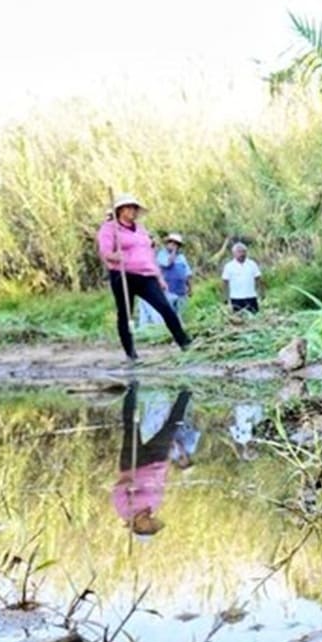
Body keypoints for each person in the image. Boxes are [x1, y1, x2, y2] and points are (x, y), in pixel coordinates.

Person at [97, 195, 192, 361]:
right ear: (120, 210)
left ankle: (184, 343)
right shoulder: (109, 228)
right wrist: (114, 256)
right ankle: (130, 352)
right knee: (125, 314)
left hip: (146, 275)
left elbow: (149, 255)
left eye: (134, 208)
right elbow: (105, 253)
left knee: (165, 307)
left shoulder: (140, 229)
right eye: (129, 208)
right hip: (123, 275)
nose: (133, 211)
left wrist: (159, 277)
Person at [112, 383, 193, 538]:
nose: (150, 523)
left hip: (133, 465)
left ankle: (131, 391)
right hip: (156, 463)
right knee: (170, 430)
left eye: (148, 527)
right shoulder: (153, 506)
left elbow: (117, 492)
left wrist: (128, 485)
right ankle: (185, 394)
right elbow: (159, 486)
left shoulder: (125, 510)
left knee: (131, 427)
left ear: (138, 527)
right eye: (152, 526)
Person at [139, 233, 192, 328]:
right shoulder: (162, 255)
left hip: (181, 291)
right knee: (169, 314)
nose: (173, 245)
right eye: (171, 242)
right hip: (168, 291)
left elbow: (187, 273)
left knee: (181, 314)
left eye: (176, 244)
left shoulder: (182, 257)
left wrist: (189, 287)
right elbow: (168, 263)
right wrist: (173, 252)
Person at [221, 241, 263, 314]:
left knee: (255, 318)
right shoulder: (229, 266)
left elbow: (258, 279)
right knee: (238, 320)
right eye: (239, 252)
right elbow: (225, 282)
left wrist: (260, 293)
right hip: (236, 298)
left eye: (244, 252)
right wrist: (226, 298)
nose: (242, 254)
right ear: (234, 253)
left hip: (251, 297)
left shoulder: (252, 264)